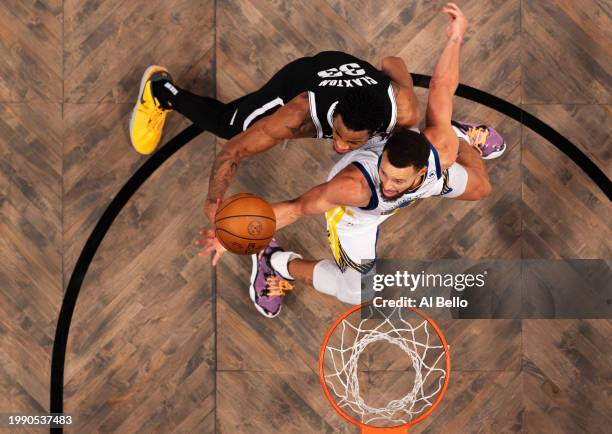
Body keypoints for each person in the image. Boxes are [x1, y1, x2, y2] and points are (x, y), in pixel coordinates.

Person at [197, 3, 507, 318]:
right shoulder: (353, 188)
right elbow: (297, 208)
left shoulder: (440, 150)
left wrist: (456, 37)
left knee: (481, 188)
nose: (386, 185)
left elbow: (443, 87)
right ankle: (275, 262)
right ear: (382, 153)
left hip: (428, 174)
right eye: (384, 173)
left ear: (423, 172)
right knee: (356, 293)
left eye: (396, 180)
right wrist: (234, 234)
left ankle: (462, 136)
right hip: (360, 219)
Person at [129, 50, 424, 223]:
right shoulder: (298, 115)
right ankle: (161, 90)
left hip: (347, 72)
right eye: (337, 134)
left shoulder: (404, 109)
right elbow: (232, 152)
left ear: (374, 130)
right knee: (232, 126)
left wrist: (371, 77)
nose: (339, 145)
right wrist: (213, 198)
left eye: (352, 142)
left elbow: (391, 61)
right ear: (334, 117)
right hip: (302, 78)